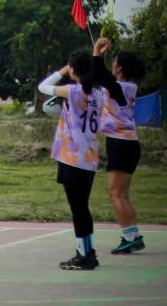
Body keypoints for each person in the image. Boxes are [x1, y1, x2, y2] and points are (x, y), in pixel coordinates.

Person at [38, 50, 104, 270]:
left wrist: (62, 71)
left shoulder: (72, 91)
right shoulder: (98, 93)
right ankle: (88, 252)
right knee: (82, 207)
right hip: (89, 157)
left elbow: (43, 87)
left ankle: (83, 255)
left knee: (78, 209)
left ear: (73, 69)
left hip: (72, 158)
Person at [92, 38, 147, 254]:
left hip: (121, 144)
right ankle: (133, 236)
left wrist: (97, 51)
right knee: (122, 194)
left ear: (120, 68)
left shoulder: (119, 87)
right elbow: (102, 75)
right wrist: (101, 56)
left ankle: (129, 237)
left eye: (114, 63)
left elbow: (99, 74)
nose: (112, 66)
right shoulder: (128, 86)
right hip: (129, 143)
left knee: (115, 194)